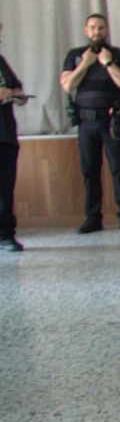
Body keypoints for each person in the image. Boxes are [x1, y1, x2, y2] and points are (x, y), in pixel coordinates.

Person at [59, 12, 120, 232]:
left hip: (113, 121)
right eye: (93, 28)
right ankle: (93, 218)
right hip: (86, 122)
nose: (97, 32)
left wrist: (108, 63)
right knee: (89, 170)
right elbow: (67, 85)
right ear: (86, 30)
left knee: (119, 169)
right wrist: (85, 64)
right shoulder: (75, 55)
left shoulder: (119, 54)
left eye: (101, 28)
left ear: (107, 30)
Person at [0, 22, 29, 252]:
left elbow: (15, 86)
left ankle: (6, 234)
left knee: (6, 188)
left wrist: (18, 94)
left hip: (6, 134)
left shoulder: (1, 60)